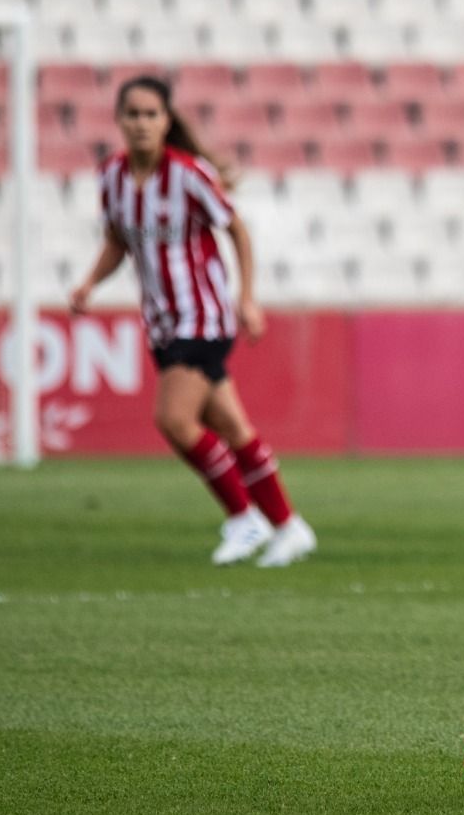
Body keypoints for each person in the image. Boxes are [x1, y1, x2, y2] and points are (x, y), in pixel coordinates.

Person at [68, 76, 316, 568]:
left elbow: (237, 230)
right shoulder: (112, 177)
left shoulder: (187, 174)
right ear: (118, 120)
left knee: (175, 420)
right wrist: (89, 283)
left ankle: (243, 518)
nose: (141, 123)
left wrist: (247, 298)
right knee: (232, 428)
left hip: (202, 317)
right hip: (162, 322)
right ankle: (289, 527)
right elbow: (118, 240)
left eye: (151, 114)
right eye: (133, 114)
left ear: (166, 121)